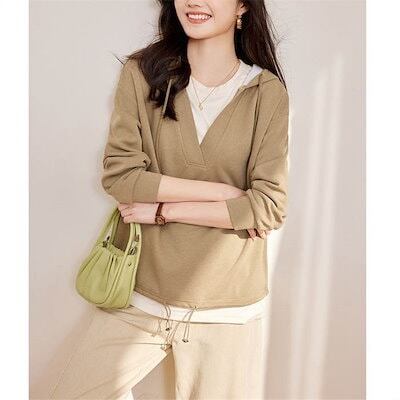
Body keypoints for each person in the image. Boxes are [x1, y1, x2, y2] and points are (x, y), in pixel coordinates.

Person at [49, 0, 289, 399]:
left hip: (227, 309)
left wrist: (162, 210)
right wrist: (224, 193)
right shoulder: (142, 75)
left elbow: (268, 206)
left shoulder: (266, 94)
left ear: (243, 6)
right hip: (139, 296)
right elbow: (120, 176)